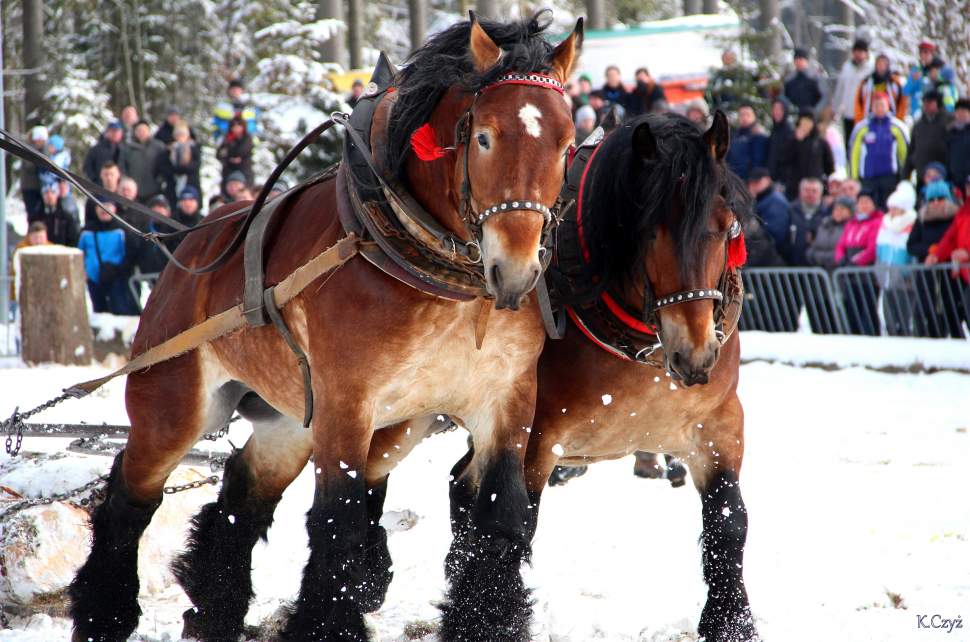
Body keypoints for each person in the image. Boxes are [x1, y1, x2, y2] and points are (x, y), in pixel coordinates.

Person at [908, 178, 964, 336]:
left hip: (949, 271)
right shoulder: (921, 220)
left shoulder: (955, 217)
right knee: (927, 307)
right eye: (932, 199)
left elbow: (958, 240)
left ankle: (956, 338)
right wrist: (929, 250)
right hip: (927, 271)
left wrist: (941, 252)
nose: (936, 202)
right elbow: (911, 245)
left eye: (940, 198)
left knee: (952, 306)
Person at [77, 200, 139, 315]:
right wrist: (83, 271)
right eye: (100, 205)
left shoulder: (122, 230)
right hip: (94, 279)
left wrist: (118, 270)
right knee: (99, 315)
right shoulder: (86, 231)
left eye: (108, 206)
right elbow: (79, 253)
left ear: (114, 208)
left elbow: (131, 255)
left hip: (117, 279)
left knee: (120, 312)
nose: (104, 209)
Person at [834, 189, 884, 334]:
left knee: (868, 312)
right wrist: (841, 259)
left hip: (866, 275)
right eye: (861, 202)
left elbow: (872, 248)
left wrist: (855, 262)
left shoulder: (877, 222)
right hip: (850, 275)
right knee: (851, 311)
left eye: (867, 202)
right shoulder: (852, 223)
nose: (863, 205)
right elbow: (841, 245)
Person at [849, 92, 909, 209]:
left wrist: (905, 176)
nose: (879, 108)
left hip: (890, 176)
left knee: (888, 207)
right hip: (868, 177)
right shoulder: (862, 127)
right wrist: (854, 177)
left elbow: (905, 153)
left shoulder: (897, 126)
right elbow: (854, 154)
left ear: (887, 106)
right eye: (876, 105)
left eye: (882, 105)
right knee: (870, 208)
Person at [876, 181, 918, 334]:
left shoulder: (913, 223)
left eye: (896, 208)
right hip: (887, 275)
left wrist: (907, 273)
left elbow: (912, 253)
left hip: (905, 278)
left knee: (905, 314)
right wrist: (879, 270)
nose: (892, 211)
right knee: (889, 315)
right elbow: (879, 251)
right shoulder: (885, 224)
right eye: (891, 208)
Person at [748, 167, 805, 266]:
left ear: (768, 180)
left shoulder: (775, 202)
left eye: (758, 182)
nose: (754, 185)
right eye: (752, 183)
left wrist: (755, 229)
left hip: (775, 259)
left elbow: (774, 236)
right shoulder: (762, 200)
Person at [781, 111, 834, 201]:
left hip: (815, 186)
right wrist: (796, 141)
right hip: (795, 189)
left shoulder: (820, 142)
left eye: (809, 122)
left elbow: (829, 166)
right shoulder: (790, 140)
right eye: (803, 122)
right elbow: (784, 161)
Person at [903, 91, 952, 187]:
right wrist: (905, 176)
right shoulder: (918, 125)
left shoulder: (949, 122)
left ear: (938, 103)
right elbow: (911, 152)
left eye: (929, 103)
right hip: (922, 177)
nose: (926, 106)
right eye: (924, 103)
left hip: (944, 176)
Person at [831, 39, 872, 141]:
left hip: (865, 114)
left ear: (866, 54)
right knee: (849, 142)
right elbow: (840, 89)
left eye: (861, 52)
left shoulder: (870, 70)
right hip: (849, 112)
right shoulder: (846, 68)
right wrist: (835, 109)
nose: (858, 55)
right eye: (856, 52)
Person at [853, 53, 907, 123]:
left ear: (888, 66)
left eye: (884, 64)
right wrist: (859, 121)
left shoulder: (895, 83)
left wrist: (899, 120)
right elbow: (858, 103)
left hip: (891, 122)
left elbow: (902, 103)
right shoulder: (866, 83)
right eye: (879, 64)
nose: (881, 66)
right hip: (869, 122)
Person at [122, 120, 167, 204]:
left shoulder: (159, 146)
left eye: (144, 130)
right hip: (134, 192)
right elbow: (123, 166)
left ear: (149, 131)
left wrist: (160, 179)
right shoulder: (128, 148)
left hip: (154, 190)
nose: (142, 133)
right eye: (139, 130)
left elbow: (165, 165)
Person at [162, 120, 202, 207]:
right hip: (173, 186)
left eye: (183, 134)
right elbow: (165, 168)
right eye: (178, 134)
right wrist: (176, 169)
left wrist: (180, 168)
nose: (180, 137)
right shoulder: (169, 150)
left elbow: (195, 165)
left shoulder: (194, 148)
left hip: (191, 184)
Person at [807, 196, 853, 269]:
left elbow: (846, 254)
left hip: (840, 272)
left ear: (851, 212)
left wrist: (824, 258)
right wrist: (812, 256)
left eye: (842, 209)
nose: (838, 211)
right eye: (836, 208)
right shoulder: (824, 225)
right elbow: (813, 248)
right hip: (820, 273)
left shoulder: (852, 228)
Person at [705, 49, 756, 114]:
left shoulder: (742, 73)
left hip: (739, 107)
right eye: (726, 58)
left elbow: (746, 89)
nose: (728, 61)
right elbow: (710, 90)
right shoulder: (718, 74)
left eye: (730, 58)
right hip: (721, 107)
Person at [727, 104, 769, 181]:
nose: (744, 118)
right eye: (742, 115)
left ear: (754, 117)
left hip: (748, 180)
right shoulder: (735, 135)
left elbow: (757, 162)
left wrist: (752, 180)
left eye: (748, 114)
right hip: (733, 178)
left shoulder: (758, 135)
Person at [32, 182, 80, 247]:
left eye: (52, 192)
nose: (49, 196)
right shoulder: (36, 216)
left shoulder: (66, 216)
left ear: (57, 195)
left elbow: (73, 238)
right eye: (46, 193)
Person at [217, 116, 254, 195]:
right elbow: (219, 154)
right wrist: (229, 158)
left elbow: (242, 151)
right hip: (229, 170)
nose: (236, 128)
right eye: (234, 126)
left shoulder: (247, 138)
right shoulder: (227, 139)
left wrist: (230, 154)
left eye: (239, 125)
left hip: (244, 171)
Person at [19, 125, 49, 219]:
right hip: (30, 187)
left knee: (43, 214)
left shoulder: (43, 149)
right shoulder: (28, 148)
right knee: (33, 214)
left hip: (41, 187)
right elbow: (29, 166)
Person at [783, 48, 823, 113]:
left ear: (806, 60)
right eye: (796, 59)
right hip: (794, 114)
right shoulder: (789, 80)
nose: (798, 62)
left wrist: (815, 111)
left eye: (800, 59)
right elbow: (785, 97)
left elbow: (823, 97)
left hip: (811, 115)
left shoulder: (814, 78)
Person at [83, 161, 122, 227]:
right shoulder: (93, 199)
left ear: (118, 175)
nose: (109, 178)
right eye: (106, 174)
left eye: (112, 174)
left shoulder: (124, 197)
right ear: (101, 175)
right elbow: (88, 223)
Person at [947, 101, 970, 200]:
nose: (960, 114)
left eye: (964, 111)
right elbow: (947, 156)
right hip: (955, 179)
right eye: (958, 111)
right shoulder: (950, 132)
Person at [766, 98, 792, 182]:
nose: (777, 112)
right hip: (770, 178)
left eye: (780, 109)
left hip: (782, 180)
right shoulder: (774, 130)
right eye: (774, 109)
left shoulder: (789, 131)